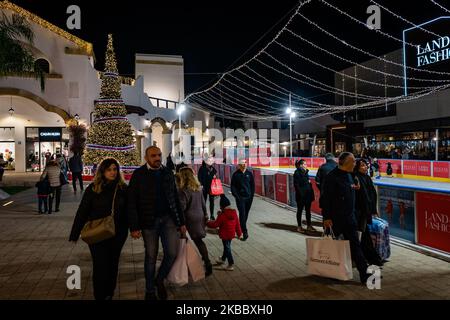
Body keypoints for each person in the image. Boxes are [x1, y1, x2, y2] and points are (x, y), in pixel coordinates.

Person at [127, 146, 186, 301]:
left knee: (172, 253)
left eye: (159, 155)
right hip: (149, 222)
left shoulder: (167, 172)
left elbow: (175, 198)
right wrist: (134, 227)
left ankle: (159, 279)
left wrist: (181, 222)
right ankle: (150, 290)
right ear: (146, 158)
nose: (157, 158)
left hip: (168, 220)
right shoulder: (138, 174)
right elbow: (131, 202)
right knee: (151, 256)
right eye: (153, 156)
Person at [69, 158, 128, 300]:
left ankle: (109, 293)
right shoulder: (93, 188)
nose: (113, 172)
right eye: (109, 170)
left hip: (117, 233)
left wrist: (135, 228)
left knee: (113, 264)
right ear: (102, 171)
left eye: (115, 169)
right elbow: (82, 211)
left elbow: (130, 210)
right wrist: (75, 233)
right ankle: (100, 295)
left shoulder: (123, 189)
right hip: (96, 232)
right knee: (100, 265)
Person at [320, 152, 369, 284]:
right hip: (335, 219)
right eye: (353, 161)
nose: (355, 164)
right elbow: (325, 199)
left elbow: (350, 188)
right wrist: (326, 218)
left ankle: (364, 275)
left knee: (356, 246)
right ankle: (332, 272)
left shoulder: (350, 175)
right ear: (345, 163)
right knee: (333, 247)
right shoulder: (331, 177)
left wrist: (355, 185)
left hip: (349, 218)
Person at [177, 167, 213, 276]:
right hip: (199, 217)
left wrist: (179, 222)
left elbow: (182, 208)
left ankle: (188, 267)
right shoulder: (198, 188)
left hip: (189, 219)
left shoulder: (183, 191)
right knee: (199, 241)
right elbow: (203, 203)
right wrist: (206, 215)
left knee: (185, 242)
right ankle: (208, 264)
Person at [353, 159, 383, 267]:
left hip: (365, 211)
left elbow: (372, 194)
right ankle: (371, 259)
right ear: (356, 167)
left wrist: (373, 210)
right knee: (363, 236)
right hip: (359, 212)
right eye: (362, 166)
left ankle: (369, 258)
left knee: (363, 235)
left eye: (365, 165)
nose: (365, 167)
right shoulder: (355, 177)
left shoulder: (366, 178)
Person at [207, 195, 243, 271]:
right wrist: (239, 234)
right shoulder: (234, 213)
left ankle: (231, 264)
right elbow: (237, 224)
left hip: (224, 235)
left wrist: (207, 223)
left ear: (222, 206)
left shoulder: (222, 215)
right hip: (231, 234)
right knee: (227, 247)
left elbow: (215, 224)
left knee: (227, 248)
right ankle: (223, 259)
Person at [230, 159, 254, 241]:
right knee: (242, 214)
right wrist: (237, 196)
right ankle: (245, 232)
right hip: (240, 198)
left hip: (249, 198)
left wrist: (251, 197)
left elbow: (252, 186)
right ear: (239, 165)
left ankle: (240, 228)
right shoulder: (235, 175)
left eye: (245, 163)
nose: (244, 165)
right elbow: (233, 186)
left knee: (245, 214)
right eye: (242, 164)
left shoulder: (249, 174)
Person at [293, 159, 316, 233]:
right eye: (305, 164)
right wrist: (301, 194)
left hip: (307, 195)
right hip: (301, 197)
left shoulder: (306, 172)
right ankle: (299, 226)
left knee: (308, 211)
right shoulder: (297, 173)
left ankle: (309, 226)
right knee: (299, 211)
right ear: (301, 165)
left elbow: (308, 183)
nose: (306, 165)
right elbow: (297, 186)